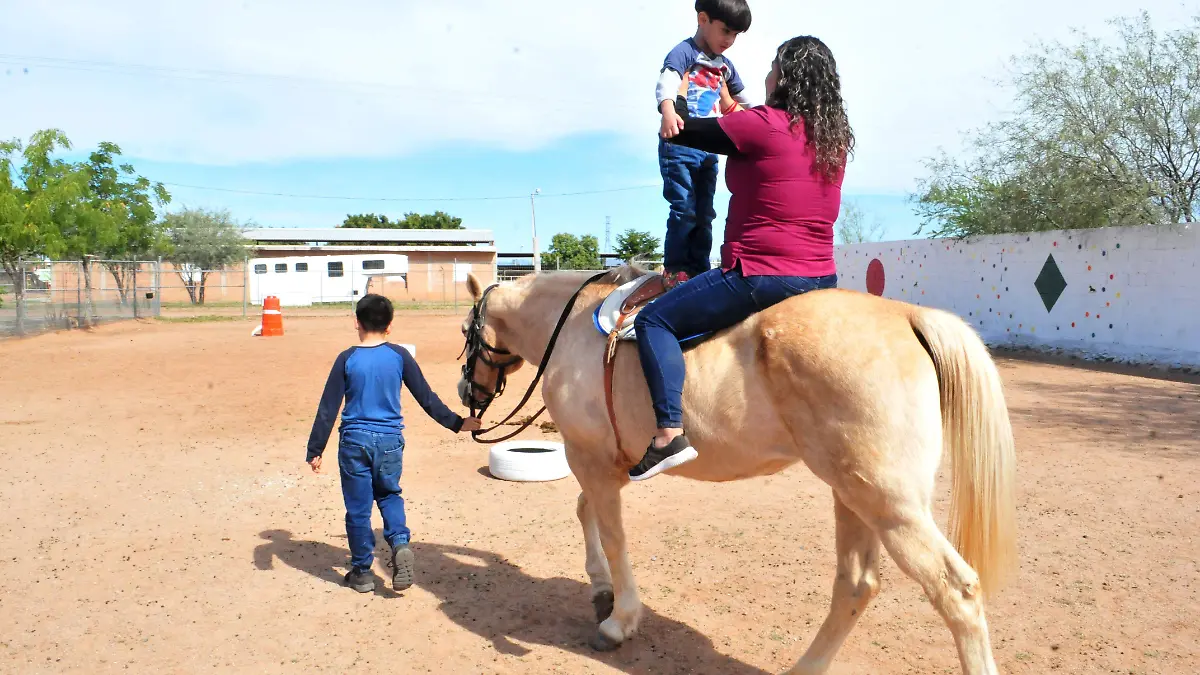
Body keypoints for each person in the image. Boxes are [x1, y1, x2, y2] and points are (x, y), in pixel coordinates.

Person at [629, 36, 853, 481]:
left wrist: (670, 103)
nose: (766, 75)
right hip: (821, 277)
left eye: (772, 67)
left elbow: (689, 130)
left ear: (785, 78)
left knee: (653, 321)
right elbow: (757, 135)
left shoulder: (766, 123)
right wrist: (732, 104)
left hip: (762, 274)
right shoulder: (833, 138)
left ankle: (667, 434)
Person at [306, 294, 481, 592]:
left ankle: (362, 573)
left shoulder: (346, 359)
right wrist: (457, 423)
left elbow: (328, 407)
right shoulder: (399, 356)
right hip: (389, 441)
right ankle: (400, 543)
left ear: (357, 323)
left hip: (354, 442)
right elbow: (426, 397)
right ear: (389, 326)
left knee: (359, 509)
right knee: (389, 495)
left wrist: (315, 449)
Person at [655, 0, 753, 288]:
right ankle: (675, 267)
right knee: (683, 208)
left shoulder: (725, 66)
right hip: (680, 144)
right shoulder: (685, 52)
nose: (729, 40)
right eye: (725, 31)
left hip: (709, 149)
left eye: (736, 35)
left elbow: (744, 100)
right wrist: (668, 110)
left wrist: (766, 115)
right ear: (703, 19)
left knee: (705, 212)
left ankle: (697, 268)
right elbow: (667, 81)